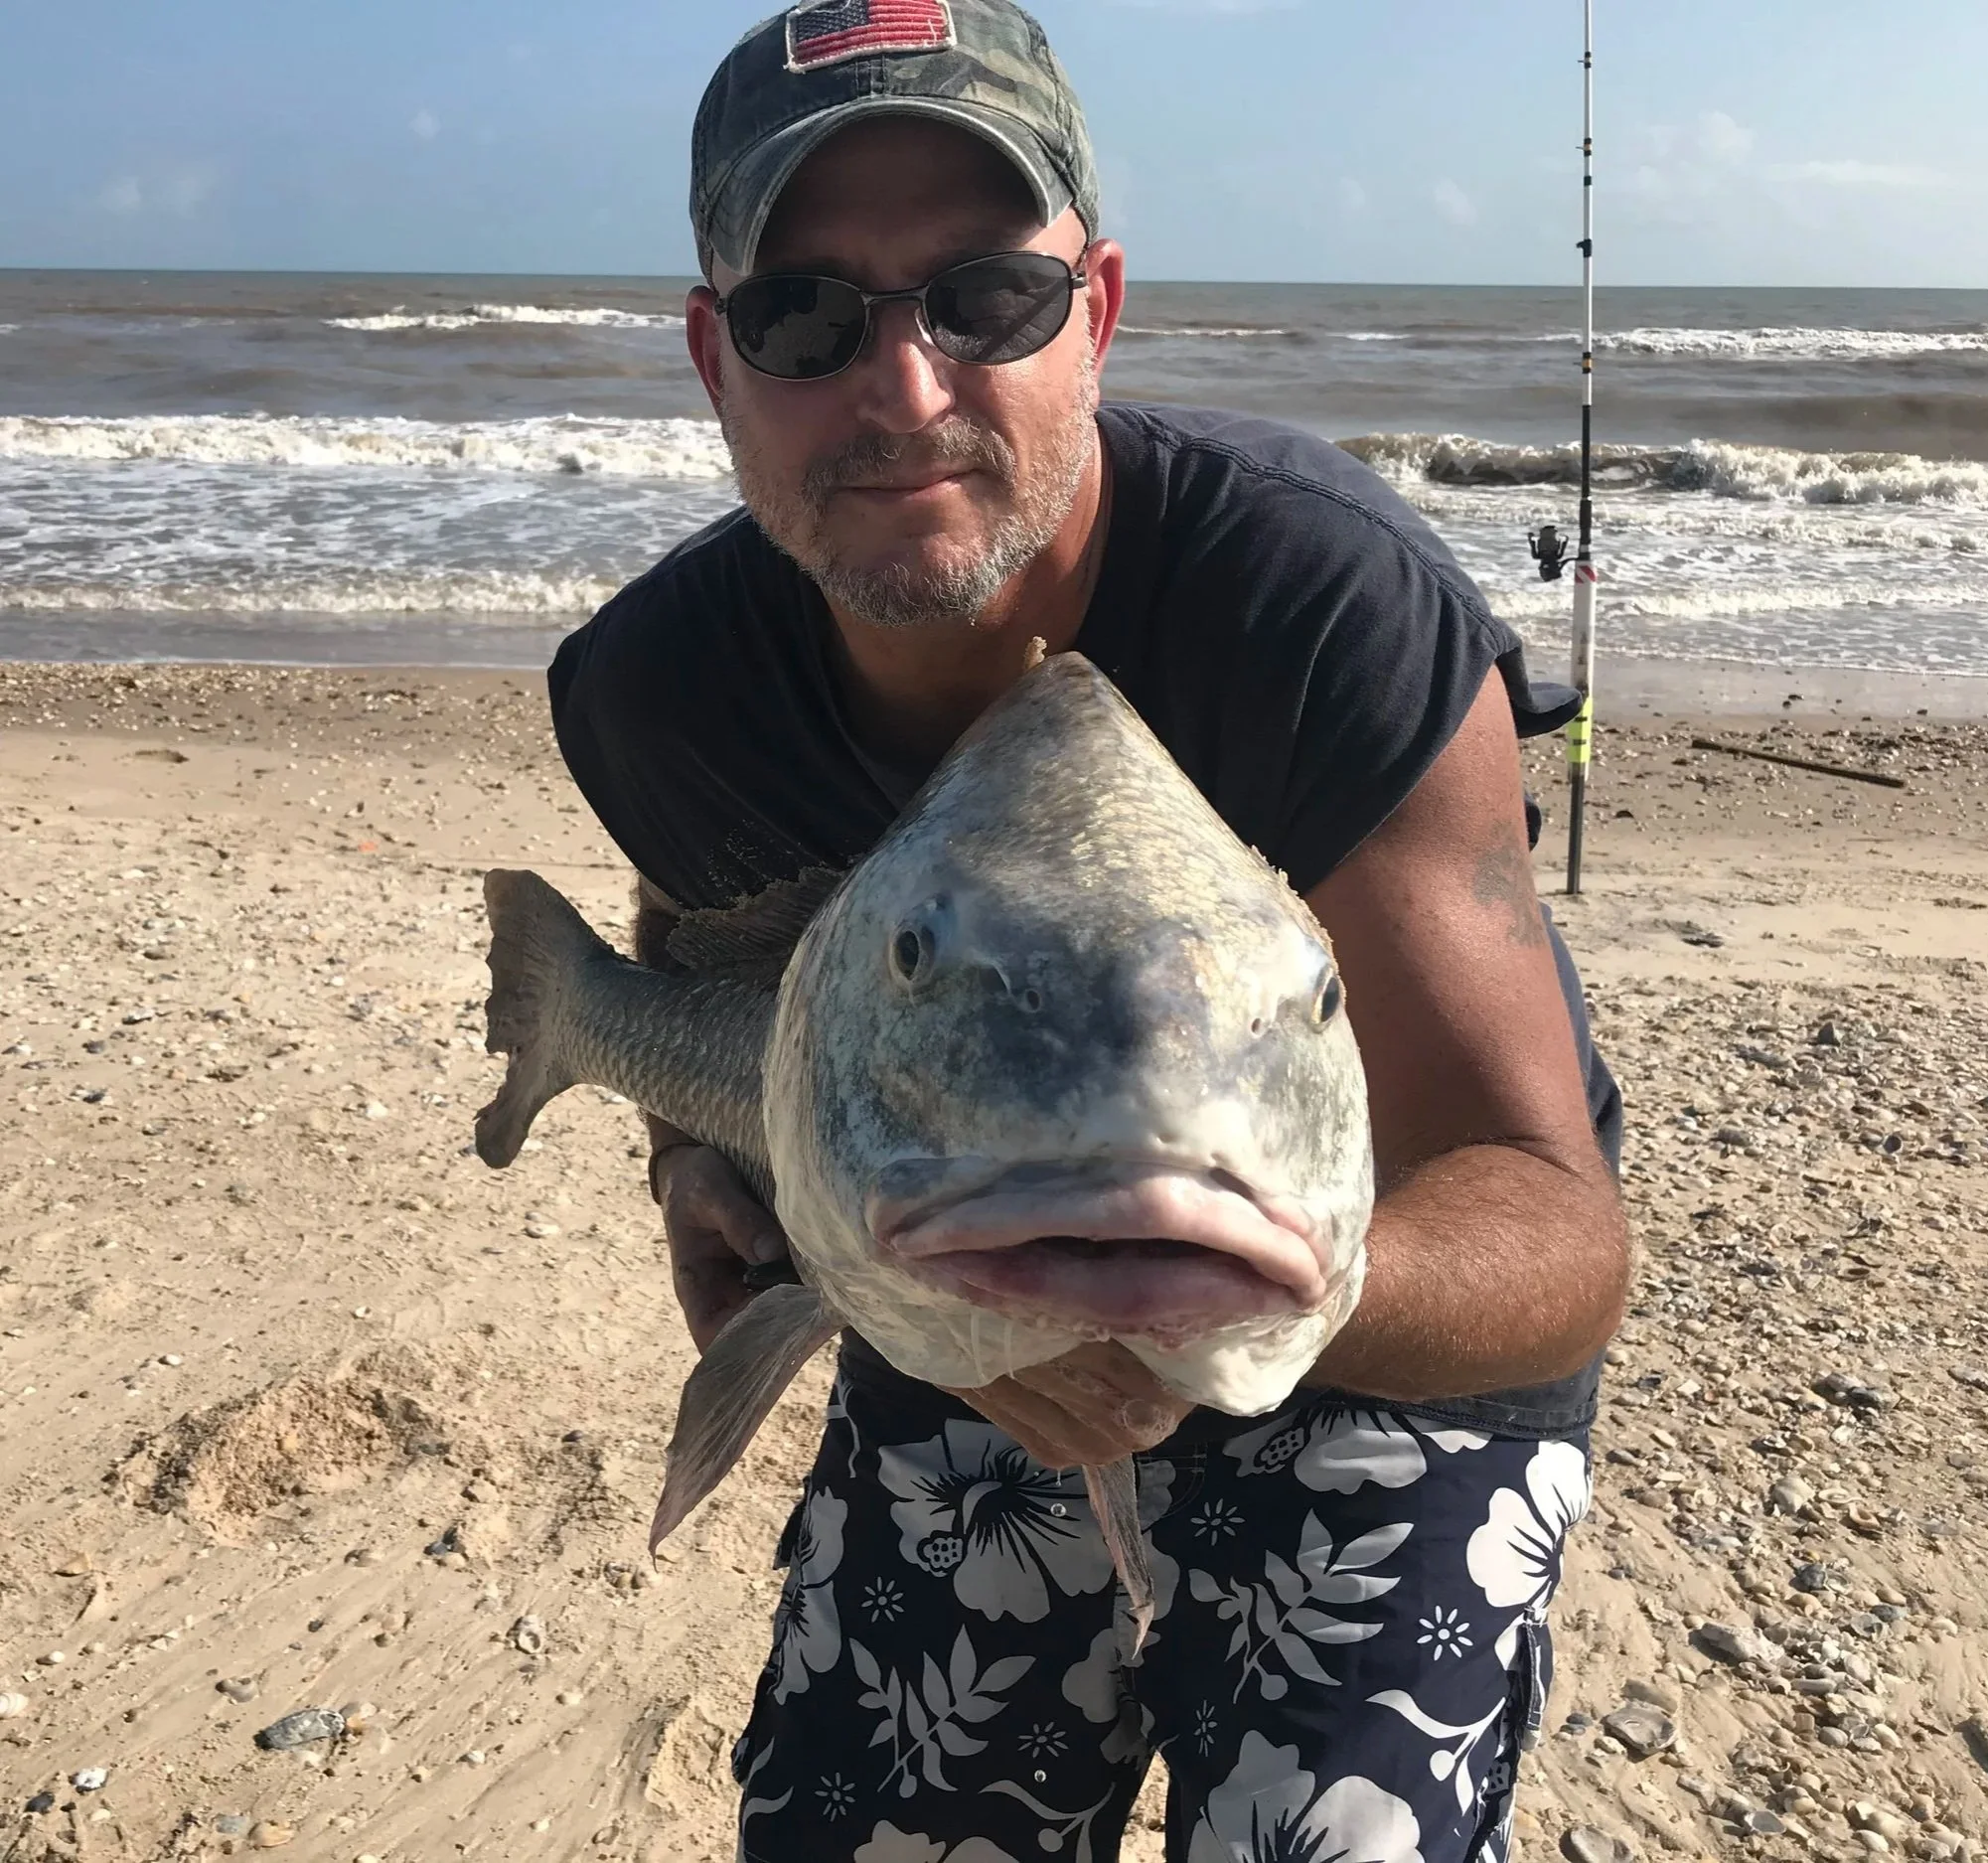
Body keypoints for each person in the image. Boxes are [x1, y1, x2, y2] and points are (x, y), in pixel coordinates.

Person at [547, 3, 1628, 1857]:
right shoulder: (664, 690)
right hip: (948, 1291)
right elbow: (719, 955)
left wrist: (1266, 1291)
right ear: (715, 361)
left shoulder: (1323, 606)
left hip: (1375, 1312)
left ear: (1098, 310)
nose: (903, 393)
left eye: (985, 299)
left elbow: (1551, 1220)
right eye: (811, 318)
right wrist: (691, 1169)